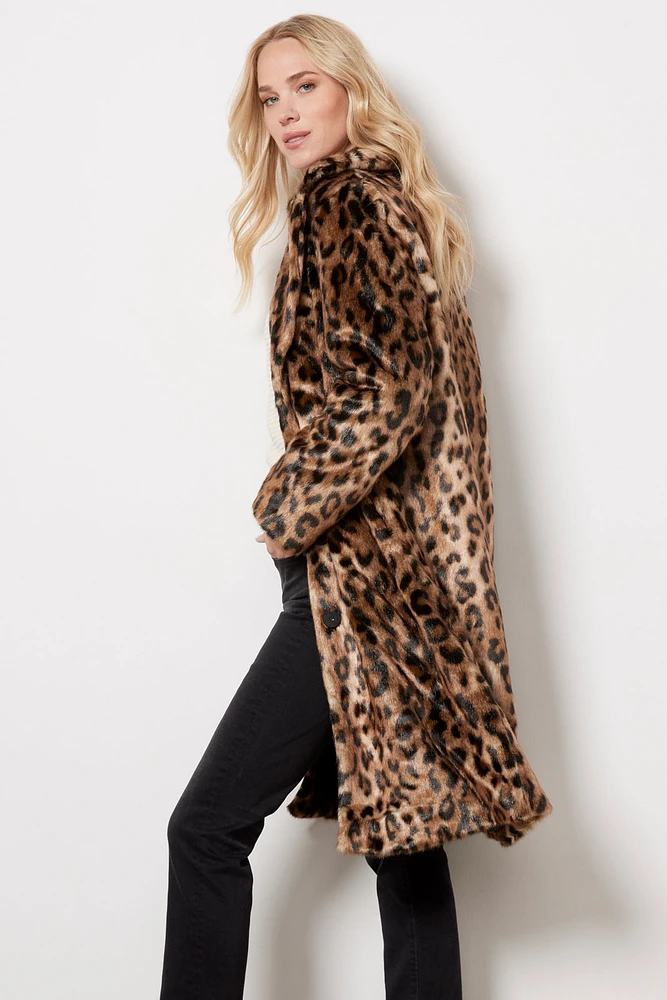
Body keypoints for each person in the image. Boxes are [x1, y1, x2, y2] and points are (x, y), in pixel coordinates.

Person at [158, 14, 553, 1000]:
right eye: (269, 97)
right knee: (402, 837)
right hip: (397, 580)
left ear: (348, 88)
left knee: (205, 827)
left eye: (304, 86)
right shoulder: (386, 202)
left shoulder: (346, 203)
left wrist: (287, 504)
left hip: (353, 583)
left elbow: (389, 387)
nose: (286, 113)